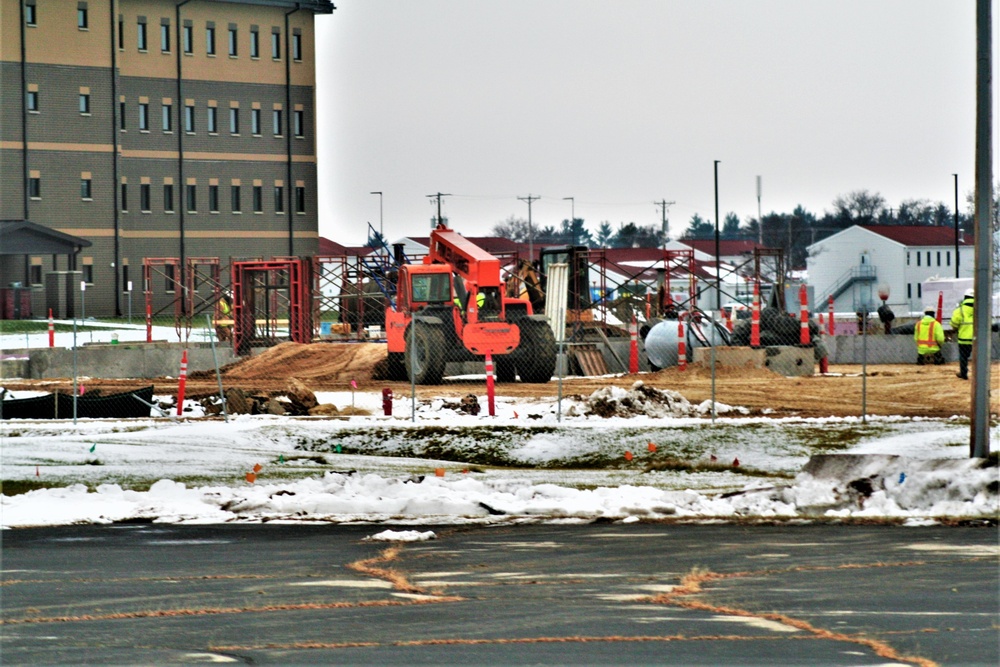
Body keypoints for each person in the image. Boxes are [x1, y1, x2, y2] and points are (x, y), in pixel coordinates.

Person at [950, 288, 974, 379]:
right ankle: (980, 375)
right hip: (978, 339)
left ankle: (963, 373)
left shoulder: (959, 310)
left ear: (965, 297)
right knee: (979, 357)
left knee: (963, 357)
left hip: (964, 339)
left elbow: (954, 324)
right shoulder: (980, 310)